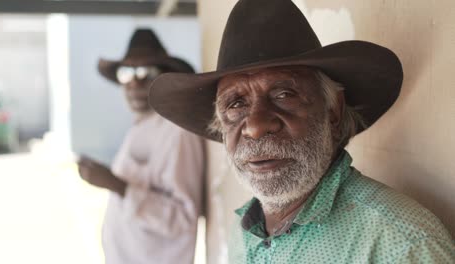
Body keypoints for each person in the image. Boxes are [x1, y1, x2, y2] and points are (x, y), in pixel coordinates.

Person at [148, 0, 455, 263]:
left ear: (333, 111)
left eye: (284, 95)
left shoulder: (401, 243)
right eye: (236, 104)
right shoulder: (245, 229)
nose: (255, 126)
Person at [77, 29, 205, 264]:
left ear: (165, 77)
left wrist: (116, 184)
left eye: (146, 72)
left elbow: (183, 220)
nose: (134, 82)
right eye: (127, 73)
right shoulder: (141, 125)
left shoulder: (178, 131)